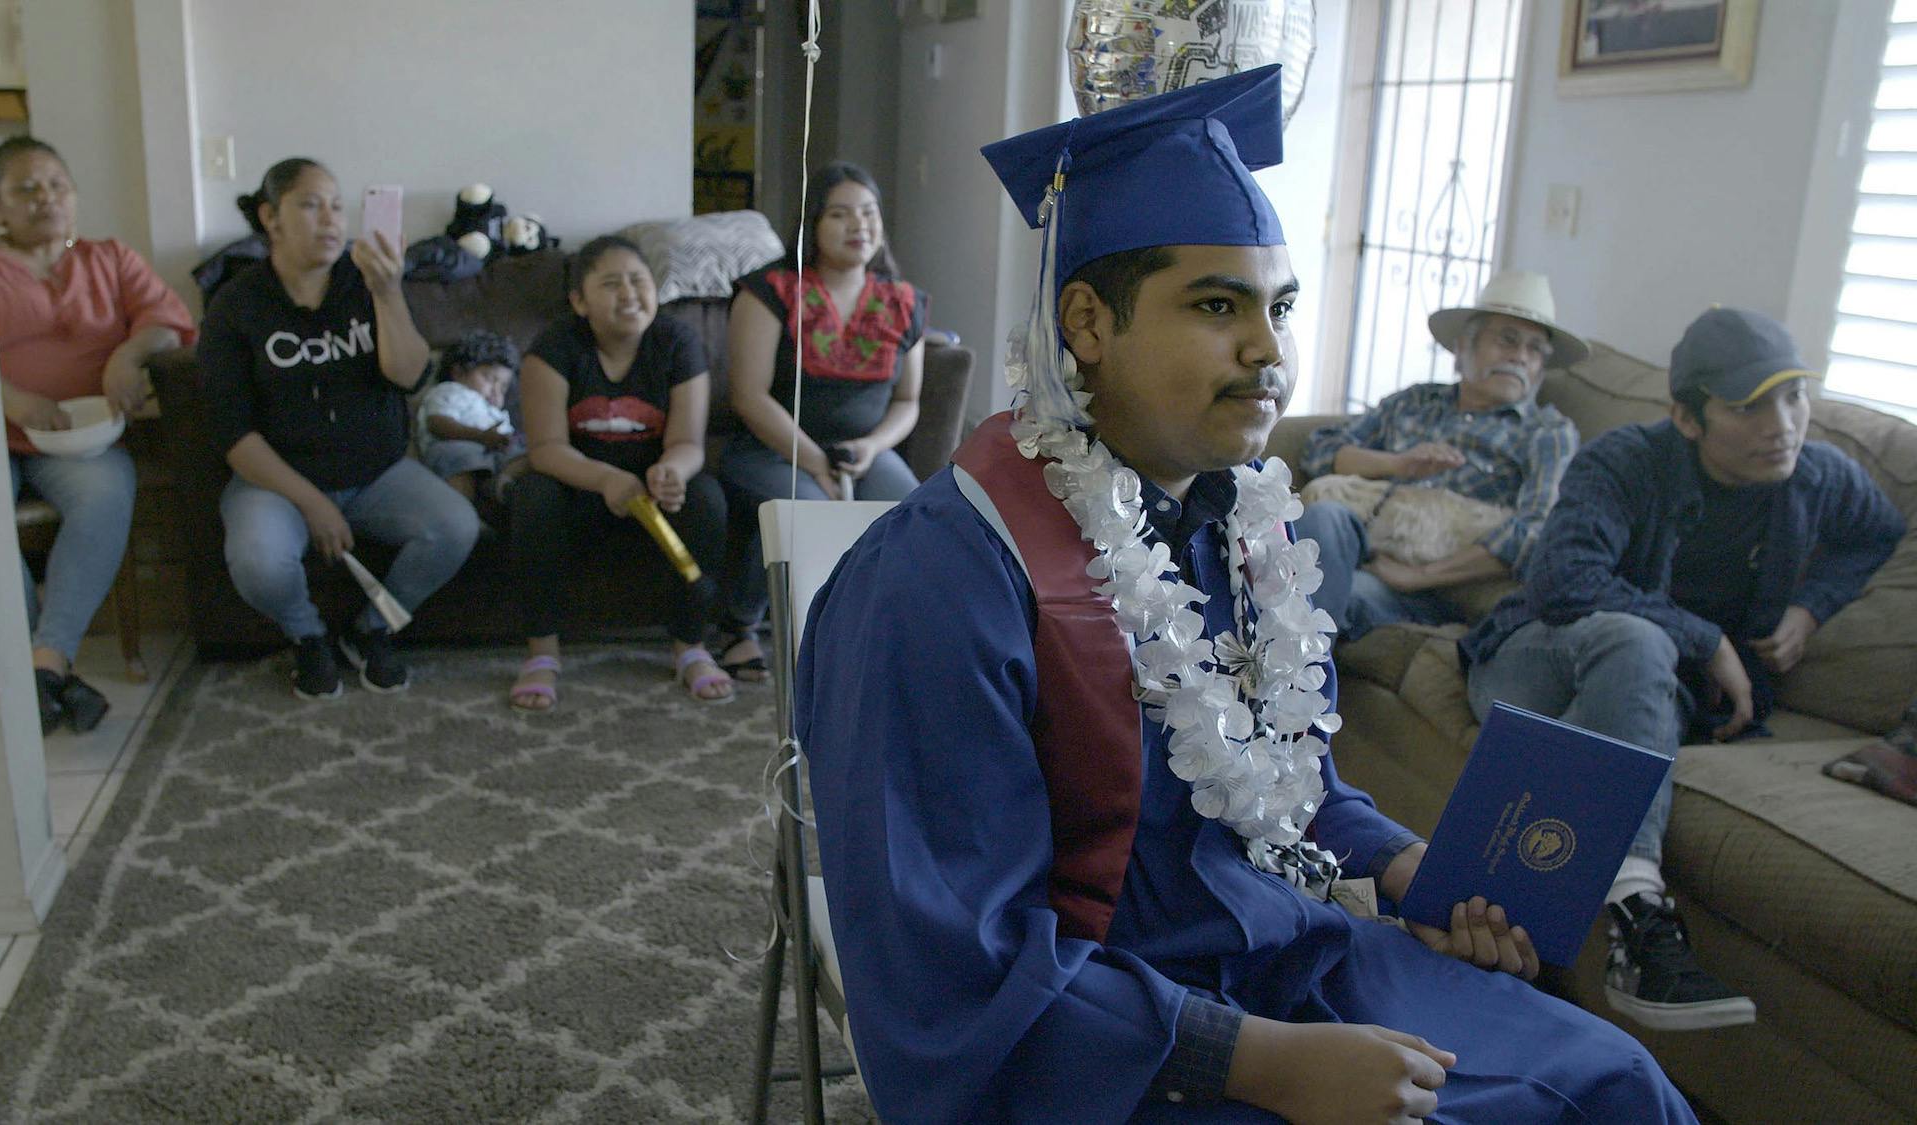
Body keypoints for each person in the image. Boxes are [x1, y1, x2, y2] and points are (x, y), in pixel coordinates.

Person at [796, 67, 1694, 1123]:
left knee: (1618, 1083)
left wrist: (1402, 865)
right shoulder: (938, 583)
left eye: (1279, 307)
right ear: (1084, 320)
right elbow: (947, 960)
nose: (1270, 350)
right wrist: (1256, 1062)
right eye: (1217, 307)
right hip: (1103, 1027)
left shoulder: (1238, 527)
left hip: (1287, 952)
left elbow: (1278, 775)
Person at [1461, 306, 1904, 1033]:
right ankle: (1639, 911)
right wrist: (1708, 639)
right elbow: (1562, 580)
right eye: (1748, 406)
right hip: (1539, 661)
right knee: (1639, 642)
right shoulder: (1626, 460)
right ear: (1688, 417)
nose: (1782, 423)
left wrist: (1813, 607)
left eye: (1793, 396)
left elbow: (1878, 531)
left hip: (1652, 703)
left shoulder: (1817, 478)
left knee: (1606, 732)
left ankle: (1510, 945)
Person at [199, 158, 479, 699]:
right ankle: (308, 636)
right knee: (258, 561)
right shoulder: (236, 306)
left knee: (456, 527)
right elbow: (233, 433)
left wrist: (389, 292)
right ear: (271, 217)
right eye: (309, 204)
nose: (330, 219)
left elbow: (409, 375)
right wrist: (311, 502)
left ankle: (373, 628)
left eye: (336, 205)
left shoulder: (366, 281)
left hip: (376, 471)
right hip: (275, 480)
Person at [0, 136, 197, 733]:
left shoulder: (109, 258)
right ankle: (40, 670)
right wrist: (10, 398)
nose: (45, 199)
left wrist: (127, 355)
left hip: (81, 441)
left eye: (57, 185)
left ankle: (44, 664)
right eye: (25, 189)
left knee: (106, 496)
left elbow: (168, 323)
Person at [715, 161, 928, 682]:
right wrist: (813, 463)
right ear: (811, 224)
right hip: (772, 447)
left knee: (918, 517)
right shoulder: (768, 291)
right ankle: (740, 627)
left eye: (868, 213)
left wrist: (874, 447)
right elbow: (747, 396)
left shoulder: (903, 300)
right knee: (810, 515)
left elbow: (908, 402)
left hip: (861, 452)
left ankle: (878, 635)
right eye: (839, 214)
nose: (859, 225)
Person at [507, 236, 733, 710]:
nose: (629, 293)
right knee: (533, 496)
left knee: (707, 497)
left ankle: (690, 646)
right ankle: (542, 654)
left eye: (638, 281)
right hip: (579, 484)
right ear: (579, 301)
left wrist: (671, 471)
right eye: (611, 284)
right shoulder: (552, 348)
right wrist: (606, 480)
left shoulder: (678, 343)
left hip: (653, 490)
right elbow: (546, 449)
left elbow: (689, 442)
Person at [1294, 272, 1583, 638]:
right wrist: (1397, 464)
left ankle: (1282, 685)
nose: (1520, 358)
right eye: (1507, 341)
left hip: (1432, 588)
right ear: (1464, 347)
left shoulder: (1547, 433)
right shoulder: (1417, 401)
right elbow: (1320, 449)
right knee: (1322, 519)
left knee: (1343, 594)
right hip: (1364, 541)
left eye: (1535, 350)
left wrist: (1419, 576)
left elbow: (1538, 529)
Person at [415, 329, 527, 517]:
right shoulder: (450, 391)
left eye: (503, 386)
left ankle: (503, 483)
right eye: (489, 379)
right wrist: (481, 437)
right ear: (458, 372)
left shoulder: (494, 410)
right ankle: (463, 514)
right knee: (462, 455)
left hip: (493, 452)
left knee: (531, 453)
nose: (496, 391)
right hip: (452, 446)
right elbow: (437, 423)